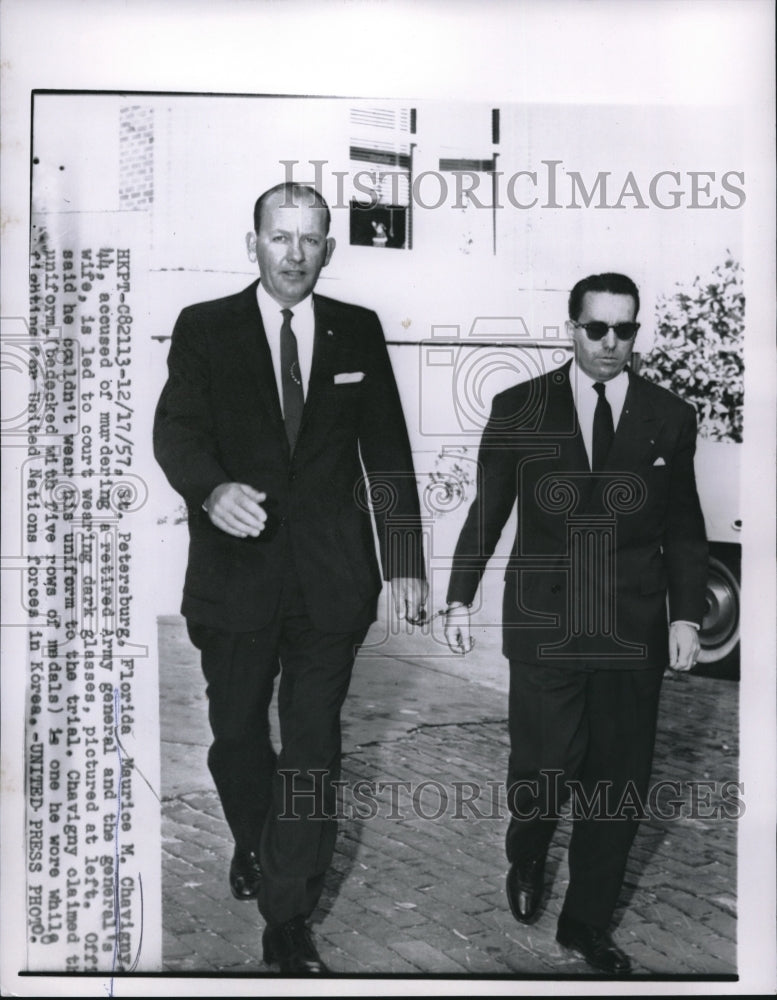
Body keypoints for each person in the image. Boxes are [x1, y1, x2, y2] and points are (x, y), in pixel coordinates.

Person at [153, 182, 427, 974]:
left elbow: (388, 452)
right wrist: (210, 488)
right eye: (281, 238)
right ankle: (254, 837)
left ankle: (287, 912)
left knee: (311, 748)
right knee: (237, 734)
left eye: (311, 240)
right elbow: (176, 428)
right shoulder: (206, 328)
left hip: (332, 583)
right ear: (254, 244)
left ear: (328, 249)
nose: (295, 255)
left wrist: (404, 562)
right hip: (234, 578)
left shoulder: (356, 331)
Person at [443, 272, 708, 974]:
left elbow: (683, 526)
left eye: (625, 330)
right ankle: (527, 846)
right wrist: (459, 594)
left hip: (633, 624)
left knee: (618, 781)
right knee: (543, 765)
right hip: (545, 618)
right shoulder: (519, 407)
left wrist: (685, 615)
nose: (611, 344)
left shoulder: (667, 416)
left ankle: (585, 923)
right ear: (571, 327)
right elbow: (487, 510)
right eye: (597, 329)